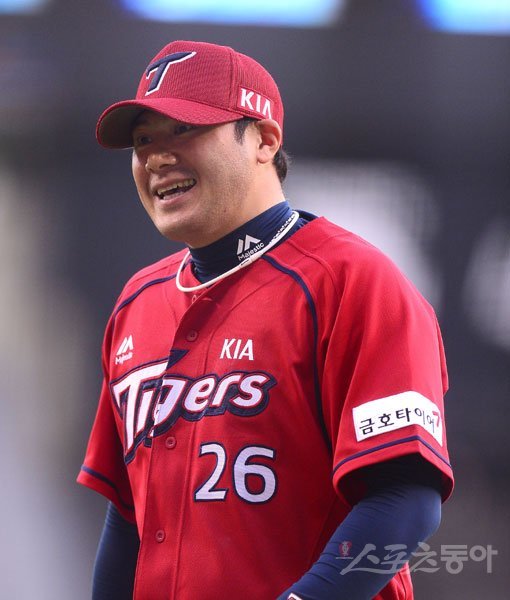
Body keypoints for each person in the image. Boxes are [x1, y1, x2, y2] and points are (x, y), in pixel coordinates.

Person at [78, 40, 454, 600]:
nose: (156, 157)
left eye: (184, 129)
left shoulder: (353, 282)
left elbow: (406, 500)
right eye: (142, 141)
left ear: (264, 139)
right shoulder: (138, 302)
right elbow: (129, 514)